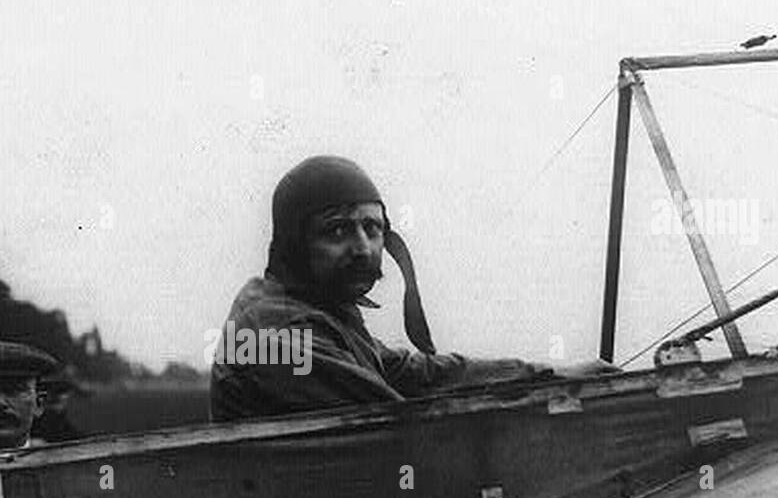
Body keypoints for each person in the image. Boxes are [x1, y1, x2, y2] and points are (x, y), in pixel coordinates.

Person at [210, 155, 614, 421]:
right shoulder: (275, 333)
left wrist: (551, 375)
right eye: (337, 230)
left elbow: (421, 374)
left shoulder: (318, 312)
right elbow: (404, 428)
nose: (363, 248)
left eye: (373, 228)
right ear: (295, 246)